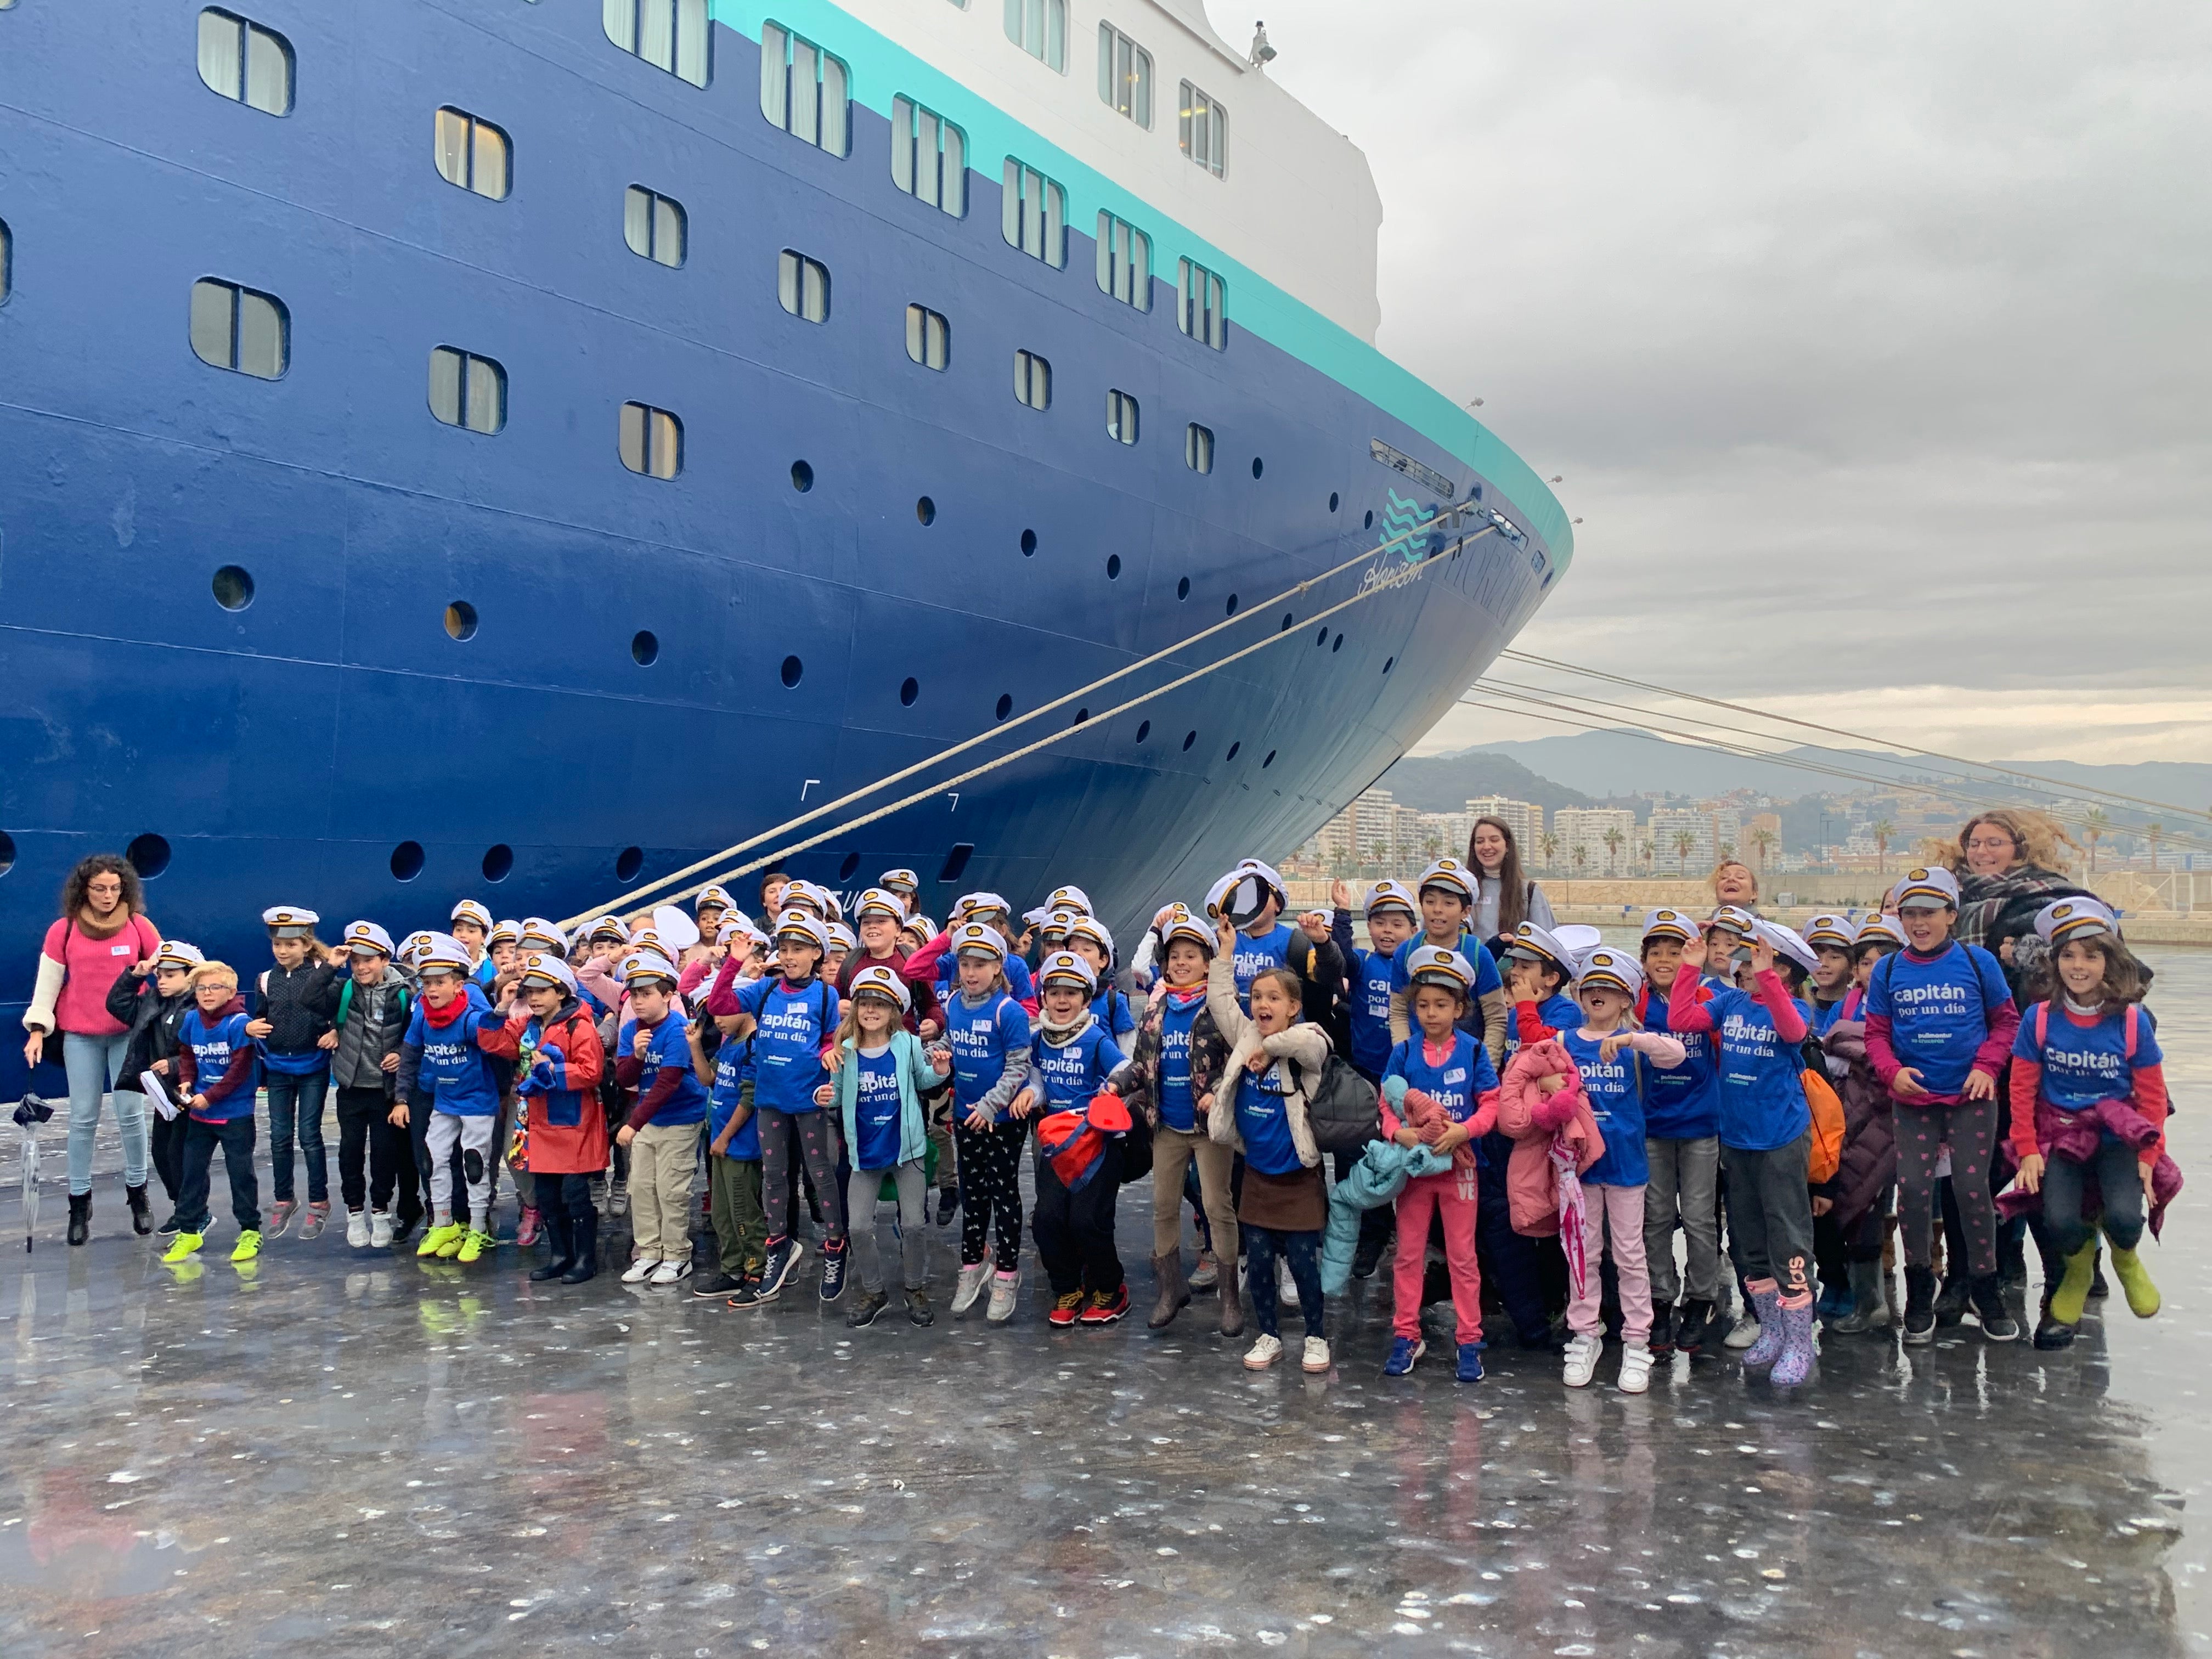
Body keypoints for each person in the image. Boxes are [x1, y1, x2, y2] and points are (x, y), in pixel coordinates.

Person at [1863, 866, 2022, 1344]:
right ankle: (1917, 1291)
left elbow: (2006, 1022)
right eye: (1910, 914)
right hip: (1914, 1101)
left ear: (1951, 915)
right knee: (1912, 1191)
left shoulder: (1978, 963)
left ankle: (1986, 1288)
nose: (1919, 923)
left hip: (1971, 1097)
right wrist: (1893, 1073)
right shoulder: (1890, 969)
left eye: (1929, 913)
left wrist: (1986, 1068)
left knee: (1973, 1192)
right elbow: (1876, 1034)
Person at [1666, 921, 1823, 1388]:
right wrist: (1688, 972)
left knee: (1789, 1237)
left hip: (1779, 1139)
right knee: (1749, 1238)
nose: (1743, 969)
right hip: (1737, 1140)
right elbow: (1681, 1021)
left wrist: (1770, 980)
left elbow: (1793, 1032)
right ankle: (1772, 1330)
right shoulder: (1731, 1002)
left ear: (1784, 971)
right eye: (1744, 963)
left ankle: (1800, 1341)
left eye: (1755, 961)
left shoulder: (1792, 1006)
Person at [2007, 898, 2170, 1347]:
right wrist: (2027, 1149)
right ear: (2055, 961)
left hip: (2116, 1137)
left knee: (2124, 1218)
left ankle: (2126, 1260)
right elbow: (2021, 1089)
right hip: (2060, 1137)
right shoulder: (2038, 1019)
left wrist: (2149, 1156)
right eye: (2068, 955)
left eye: (2091, 955)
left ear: (2110, 961)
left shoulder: (2132, 1022)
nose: (2078, 966)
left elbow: (2153, 1096)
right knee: (2058, 1221)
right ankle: (2077, 1274)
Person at [1207, 913, 1335, 1374]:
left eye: (1273, 998)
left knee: (1303, 1264)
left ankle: (1317, 1336)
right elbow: (1221, 1000)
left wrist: (1273, 1046)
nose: (1262, 1004)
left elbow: (1312, 1046)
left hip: (1298, 1176)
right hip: (1258, 1174)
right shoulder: (1245, 1034)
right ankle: (1269, 1334)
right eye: (1257, 997)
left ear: (1294, 1005)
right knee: (1259, 1263)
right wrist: (1224, 955)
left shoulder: (1308, 1040)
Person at [1554, 949, 1685, 1392]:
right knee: (1583, 1253)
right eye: (1591, 986)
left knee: (1630, 1254)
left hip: (1628, 1165)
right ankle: (1585, 1332)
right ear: (1579, 993)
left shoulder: (1635, 1045)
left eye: (1609, 989)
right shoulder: (1563, 1042)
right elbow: (1533, 1076)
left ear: (1626, 999)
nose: (1599, 994)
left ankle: (1636, 1340)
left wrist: (1634, 1039)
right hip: (1578, 1169)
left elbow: (1677, 1054)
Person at [22, 853, 162, 1245]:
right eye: (100, 889)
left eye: (115, 889)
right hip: (80, 1034)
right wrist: (36, 1030)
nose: (107, 895)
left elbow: (169, 970)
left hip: (127, 1034)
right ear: (84, 889)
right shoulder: (63, 930)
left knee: (131, 1116)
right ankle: (80, 1205)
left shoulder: (139, 926)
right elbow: (48, 984)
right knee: (83, 1118)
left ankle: (138, 1196)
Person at [709, 911, 846, 1304]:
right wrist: (734, 961)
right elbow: (721, 1002)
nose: (789, 956)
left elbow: (829, 1038)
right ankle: (779, 1247)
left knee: (820, 1174)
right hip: (769, 1099)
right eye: (784, 949)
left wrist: (826, 1054)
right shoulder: (765, 991)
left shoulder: (825, 994)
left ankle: (836, 1246)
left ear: (817, 954)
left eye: (798, 950)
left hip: (807, 1100)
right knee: (773, 1177)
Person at [1118, 906, 1243, 1335]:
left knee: (1216, 1206)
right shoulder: (1156, 1009)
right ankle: (1170, 1290)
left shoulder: (1219, 1006)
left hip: (1208, 1129)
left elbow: (1237, 1061)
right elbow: (1140, 1064)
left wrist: (1217, 1092)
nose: (1181, 963)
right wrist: (1117, 1085)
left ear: (1208, 962)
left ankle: (1230, 1297)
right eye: (1175, 956)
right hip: (1166, 1126)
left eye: (1191, 955)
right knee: (1162, 1206)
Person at [1378, 946, 1499, 1384]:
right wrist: (1399, 1134)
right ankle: (1406, 1334)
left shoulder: (1473, 1052)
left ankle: (1469, 1340)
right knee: (1408, 1253)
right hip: (1414, 1170)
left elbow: (1491, 1105)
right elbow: (1387, 1101)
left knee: (1463, 1257)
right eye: (1424, 1005)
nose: (1432, 1014)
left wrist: (1464, 1131)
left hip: (1459, 1170)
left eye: (1442, 1005)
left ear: (1460, 1008)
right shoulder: (1404, 1052)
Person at [821, 964, 949, 1328]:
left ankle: (914, 1288)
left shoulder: (908, 1044)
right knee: (859, 1227)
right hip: (864, 1153)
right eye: (865, 1003)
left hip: (907, 1151)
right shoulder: (844, 1051)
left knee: (914, 1224)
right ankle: (874, 1290)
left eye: (880, 1003)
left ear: (895, 1011)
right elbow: (835, 1097)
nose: (871, 1010)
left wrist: (940, 1071)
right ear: (856, 1009)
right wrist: (822, 1094)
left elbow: (924, 1081)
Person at [1023, 952, 1138, 1325]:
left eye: (1071, 993)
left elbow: (1124, 1067)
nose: (1061, 1000)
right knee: (1047, 1220)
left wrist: (1108, 1091)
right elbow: (1039, 1083)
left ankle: (1111, 1289)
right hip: (1057, 1146)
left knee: (1088, 1221)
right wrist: (1031, 1096)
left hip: (1096, 1143)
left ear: (1086, 1000)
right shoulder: (1039, 1040)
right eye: (1054, 992)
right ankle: (1068, 1287)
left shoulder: (1093, 1035)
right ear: (1043, 998)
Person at [483, 950, 608, 1286]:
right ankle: (560, 1255)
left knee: (575, 1194)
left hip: (573, 1123)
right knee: (548, 1195)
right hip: (539, 1123)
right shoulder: (526, 1026)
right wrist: (499, 1008)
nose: (533, 998)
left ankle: (584, 1258)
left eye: (542, 991)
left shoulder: (579, 1026)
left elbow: (592, 1071)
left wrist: (551, 1070)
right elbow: (494, 1043)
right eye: (529, 992)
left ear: (562, 992)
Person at [934, 920, 1035, 1323]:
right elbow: (950, 1042)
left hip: (1001, 1120)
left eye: (980, 964)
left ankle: (1008, 1273)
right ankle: (972, 1267)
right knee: (973, 1196)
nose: (971, 973)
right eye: (965, 964)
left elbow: (1018, 1065)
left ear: (999, 968)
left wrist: (992, 1105)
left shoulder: (1007, 1012)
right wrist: (936, 1055)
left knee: (1003, 1194)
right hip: (965, 1118)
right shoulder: (954, 1004)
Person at [1637, 909, 1725, 1358]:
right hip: (1651, 1126)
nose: (1665, 959)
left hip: (1699, 1127)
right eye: (1657, 952)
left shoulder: (1710, 998)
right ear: (1645, 958)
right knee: (1653, 1218)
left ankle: (1701, 1298)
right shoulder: (1635, 1002)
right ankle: (1659, 1296)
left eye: (1676, 951)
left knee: (1698, 1218)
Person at [1328, 878, 1421, 1279]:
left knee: (1404, 1157)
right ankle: (1366, 1236)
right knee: (1362, 1157)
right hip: (1365, 1077)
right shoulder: (1365, 963)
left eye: (1397, 924)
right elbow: (1340, 958)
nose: (1387, 931)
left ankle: (1400, 1234)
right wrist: (1342, 916)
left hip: (1407, 1077)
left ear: (1413, 932)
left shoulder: (1419, 968)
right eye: (1380, 922)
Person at [1818, 914, 1904, 1336]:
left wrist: (1849, 1043)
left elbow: (1882, 1052)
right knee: (1847, 1207)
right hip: (1847, 1119)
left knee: (1872, 1207)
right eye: (1866, 962)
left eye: (1883, 960)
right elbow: (1824, 1050)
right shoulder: (1845, 1005)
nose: (1874, 970)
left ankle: (1874, 1303)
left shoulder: (1907, 1006)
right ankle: (1856, 1294)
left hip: (1890, 1124)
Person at [397, 933, 507, 1265]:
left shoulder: (470, 1017)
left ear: (459, 985)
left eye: (440, 983)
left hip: (476, 1103)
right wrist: (402, 1096)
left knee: (474, 1163)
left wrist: (500, 1010)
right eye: (427, 983)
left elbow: (493, 1035)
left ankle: (477, 1227)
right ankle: (445, 1224)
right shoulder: (422, 1015)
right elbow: (411, 1054)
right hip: (444, 1101)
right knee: (433, 1158)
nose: (432, 990)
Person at [250, 905, 343, 1240]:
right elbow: (261, 1017)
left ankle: (319, 1200)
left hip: (312, 1067)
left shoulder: (323, 973)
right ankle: (284, 1197)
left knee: (309, 1135)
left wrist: (336, 1030)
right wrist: (252, 1028)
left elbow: (338, 1010)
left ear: (306, 945)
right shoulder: (264, 979)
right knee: (279, 1136)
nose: (283, 950)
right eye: (278, 944)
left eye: (291, 944)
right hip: (277, 1068)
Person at [159, 961, 261, 1266]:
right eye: (201, 988)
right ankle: (190, 1230)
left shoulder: (238, 1023)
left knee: (241, 1174)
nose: (207, 993)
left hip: (235, 1114)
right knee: (191, 1172)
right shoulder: (191, 1019)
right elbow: (187, 1053)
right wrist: (187, 1080)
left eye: (215, 987)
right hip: (200, 1116)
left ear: (230, 992)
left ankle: (250, 1231)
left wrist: (210, 1097)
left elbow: (240, 1071)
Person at [326, 922, 416, 1250]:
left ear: (384, 961)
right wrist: (331, 965)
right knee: (349, 1153)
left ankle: (380, 1211)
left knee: (384, 1154)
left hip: (384, 1089)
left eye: (369, 960)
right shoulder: (344, 989)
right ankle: (354, 1211)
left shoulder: (404, 993)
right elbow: (311, 1000)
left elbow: (414, 1037)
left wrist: (400, 1053)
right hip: (351, 1086)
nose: (361, 967)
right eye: (355, 961)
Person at [106, 939, 204, 1237]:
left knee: (180, 1153)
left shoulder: (200, 1005)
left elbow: (206, 1047)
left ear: (190, 975)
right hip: (165, 1095)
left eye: (170, 975)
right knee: (162, 1152)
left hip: (191, 1091)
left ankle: (195, 1213)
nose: (161, 981)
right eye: (159, 975)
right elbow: (117, 1005)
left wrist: (174, 1065)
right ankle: (183, 1208)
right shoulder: (153, 1002)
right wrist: (135, 975)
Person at [1385, 859, 1507, 1066]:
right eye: (1430, 901)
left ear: (1465, 911)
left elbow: (1496, 1018)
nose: (1437, 910)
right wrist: (1405, 1059)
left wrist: (1485, 1069)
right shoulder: (1406, 952)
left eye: (1449, 903)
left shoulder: (1479, 954)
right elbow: (1398, 1011)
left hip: (1468, 1063)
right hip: (1418, 1064)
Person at [1465, 815, 1554, 950]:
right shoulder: (1463, 889)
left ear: (1507, 846)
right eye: (1480, 841)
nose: (1487, 846)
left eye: (1494, 840)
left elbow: (1547, 946)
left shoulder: (1529, 891)